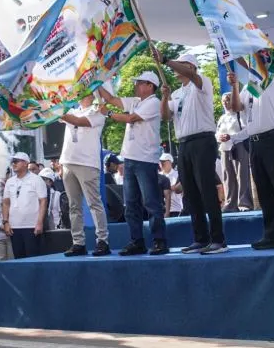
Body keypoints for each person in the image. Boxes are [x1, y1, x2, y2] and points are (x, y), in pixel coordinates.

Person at [227, 70, 274, 250]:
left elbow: (261, 72)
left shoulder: (271, 76)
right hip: (255, 142)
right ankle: (271, 234)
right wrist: (235, 86)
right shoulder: (247, 87)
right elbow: (236, 107)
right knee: (264, 191)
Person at [96, 71, 167, 255]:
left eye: (140, 82)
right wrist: (95, 84)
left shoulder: (153, 102)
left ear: (150, 86)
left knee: (151, 202)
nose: (136, 85)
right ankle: (137, 241)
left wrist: (108, 113)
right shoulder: (136, 101)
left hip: (145, 159)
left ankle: (159, 241)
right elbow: (111, 99)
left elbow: (130, 118)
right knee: (131, 204)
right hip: (129, 159)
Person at [163, 53, 227, 254]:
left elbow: (192, 75)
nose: (175, 69)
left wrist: (165, 60)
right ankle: (200, 238)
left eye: (180, 65)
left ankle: (218, 240)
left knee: (207, 189)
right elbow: (166, 116)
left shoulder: (202, 82)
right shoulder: (176, 93)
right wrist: (164, 97)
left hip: (202, 140)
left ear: (190, 66)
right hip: (183, 144)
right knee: (190, 194)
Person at [59, 93, 111, 257]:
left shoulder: (98, 112)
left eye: (86, 92)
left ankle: (102, 241)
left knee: (94, 203)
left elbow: (78, 122)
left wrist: (58, 112)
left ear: (92, 94)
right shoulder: (72, 110)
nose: (81, 94)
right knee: (73, 205)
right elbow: (58, 114)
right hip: (68, 162)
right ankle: (78, 243)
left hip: (87, 163)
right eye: (80, 92)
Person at [2, 152, 48, 258]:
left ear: (25, 163)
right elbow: (6, 203)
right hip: (14, 227)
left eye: (16, 161)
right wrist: (5, 222)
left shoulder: (36, 179)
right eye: (12, 162)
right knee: (18, 259)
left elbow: (43, 201)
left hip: (31, 226)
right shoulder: (9, 182)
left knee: (33, 259)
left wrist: (39, 222)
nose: (13, 164)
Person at [216, 93, 253, 211]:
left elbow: (246, 131)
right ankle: (230, 203)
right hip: (224, 148)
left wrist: (232, 137)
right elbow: (217, 132)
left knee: (242, 175)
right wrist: (219, 137)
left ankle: (244, 203)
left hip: (239, 146)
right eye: (223, 101)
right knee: (227, 176)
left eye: (228, 100)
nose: (225, 103)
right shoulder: (222, 118)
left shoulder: (240, 115)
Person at [103, 154, 125, 223]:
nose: (118, 166)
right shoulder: (107, 177)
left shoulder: (106, 176)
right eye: (116, 164)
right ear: (111, 164)